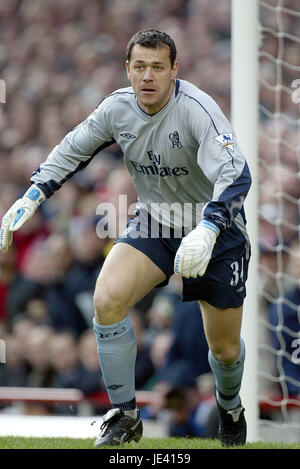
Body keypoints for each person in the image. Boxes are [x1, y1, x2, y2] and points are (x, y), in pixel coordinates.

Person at [0, 30, 251, 447]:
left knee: (224, 348)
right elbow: (72, 148)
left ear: (175, 70)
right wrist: (32, 193)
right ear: (127, 70)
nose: (148, 76)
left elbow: (235, 174)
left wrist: (208, 229)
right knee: (107, 298)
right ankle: (125, 415)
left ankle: (231, 406)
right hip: (155, 222)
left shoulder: (197, 110)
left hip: (216, 230)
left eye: (157, 67)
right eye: (140, 67)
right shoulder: (117, 108)